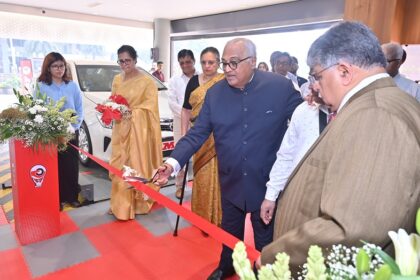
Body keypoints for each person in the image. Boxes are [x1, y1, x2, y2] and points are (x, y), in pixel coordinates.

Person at [259, 21, 420, 274]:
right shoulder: (380, 104)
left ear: (344, 71)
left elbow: (353, 229)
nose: (313, 86)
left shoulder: (376, 114)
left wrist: (277, 257)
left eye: (318, 76)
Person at [155, 38, 301, 279]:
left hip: (265, 185)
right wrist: (172, 163)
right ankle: (228, 265)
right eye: (225, 63)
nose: (228, 69)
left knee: (265, 240)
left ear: (252, 62)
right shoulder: (215, 94)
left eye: (234, 63)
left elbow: (303, 122)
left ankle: (265, 271)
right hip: (230, 180)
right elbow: (198, 133)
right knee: (230, 232)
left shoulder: (280, 88)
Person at [109, 45, 162, 220]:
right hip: (120, 130)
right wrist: (110, 109)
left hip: (138, 132)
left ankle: (137, 203)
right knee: (119, 165)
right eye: (121, 61)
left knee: (134, 166)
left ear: (135, 60)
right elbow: (113, 100)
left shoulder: (147, 82)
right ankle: (120, 205)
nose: (124, 64)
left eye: (128, 60)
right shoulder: (117, 79)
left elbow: (150, 108)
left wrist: (131, 112)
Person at [260, 89, 329, 225]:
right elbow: (287, 155)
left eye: (319, 77)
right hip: (300, 196)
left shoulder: (356, 112)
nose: (313, 86)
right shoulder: (305, 110)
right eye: (312, 78)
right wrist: (271, 196)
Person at [182, 47, 224, 227]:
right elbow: (186, 110)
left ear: (218, 63)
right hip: (199, 135)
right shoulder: (193, 81)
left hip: (220, 136)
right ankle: (201, 215)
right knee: (201, 173)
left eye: (211, 62)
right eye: (204, 63)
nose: (207, 66)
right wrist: (184, 135)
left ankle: (219, 215)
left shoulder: (224, 80)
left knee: (221, 176)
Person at [37, 52, 83, 210]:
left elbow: (79, 108)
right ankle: (56, 199)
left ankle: (72, 197)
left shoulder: (72, 85)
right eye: (55, 66)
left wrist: (75, 126)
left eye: (62, 65)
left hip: (70, 132)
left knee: (71, 166)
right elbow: (36, 109)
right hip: (51, 134)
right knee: (53, 167)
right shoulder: (41, 86)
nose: (59, 69)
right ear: (48, 68)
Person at [167, 49, 197, 199]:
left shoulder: (202, 78)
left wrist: (197, 116)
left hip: (201, 121)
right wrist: (188, 115)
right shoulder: (174, 80)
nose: (185, 65)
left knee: (201, 155)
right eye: (182, 63)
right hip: (180, 120)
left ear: (194, 61)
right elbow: (172, 103)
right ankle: (180, 186)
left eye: (188, 62)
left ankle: (199, 186)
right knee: (180, 154)